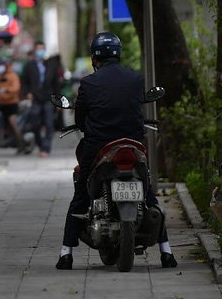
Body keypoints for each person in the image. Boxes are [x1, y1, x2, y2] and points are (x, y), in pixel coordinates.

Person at [56, 32, 178, 270]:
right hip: (133, 144)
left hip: (99, 146)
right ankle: (167, 253)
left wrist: (87, 125)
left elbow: (80, 118)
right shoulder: (135, 78)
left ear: (94, 57)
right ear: (119, 54)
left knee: (81, 194)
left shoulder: (89, 83)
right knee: (149, 194)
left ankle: (66, 254)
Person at [20, 41, 60, 157]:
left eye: (42, 49)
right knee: (34, 122)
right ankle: (40, 144)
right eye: (38, 49)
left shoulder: (51, 65)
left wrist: (58, 101)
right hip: (35, 98)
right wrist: (27, 93)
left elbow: (56, 84)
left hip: (48, 98)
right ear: (35, 51)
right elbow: (25, 82)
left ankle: (46, 148)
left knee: (49, 123)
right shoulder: (30, 65)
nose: (40, 51)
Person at [0, 58, 23, 152]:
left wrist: (6, 90)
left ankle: (21, 144)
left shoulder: (13, 76)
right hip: (1, 103)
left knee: (13, 123)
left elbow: (16, 88)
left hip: (11, 103)